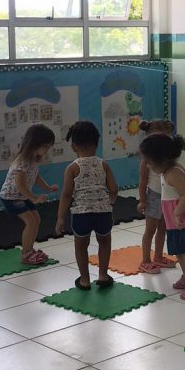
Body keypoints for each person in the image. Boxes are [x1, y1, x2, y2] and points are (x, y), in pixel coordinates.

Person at [138, 133, 185, 301]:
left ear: (162, 160)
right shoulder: (169, 170)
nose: (147, 166)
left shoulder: (173, 173)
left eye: (149, 162)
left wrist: (178, 212)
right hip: (175, 223)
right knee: (179, 251)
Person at [56, 121, 118, 290]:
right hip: (103, 213)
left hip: (81, 214)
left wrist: (60, 218)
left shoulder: (72, 168)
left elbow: (67, 194)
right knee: (104, 242)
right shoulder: (103, 165)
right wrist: (110, 202)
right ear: (96, 144)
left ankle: (84, 280)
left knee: (81, 246)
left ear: (73, 146)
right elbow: (114, 189)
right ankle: (103, 276)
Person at [0, 124, 58, 266]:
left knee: (36, 219)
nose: (47, 150)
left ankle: (30, 250)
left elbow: (36, 176)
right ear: (35, 144)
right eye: (46, 146)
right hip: (11, 197)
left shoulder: (34, 159)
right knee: (31, 222)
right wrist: (34, 198)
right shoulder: (22, 161)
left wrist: (48, 188)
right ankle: (26, 254)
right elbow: (20, 185)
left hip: (22, 196)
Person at [137, 119, 178, 274]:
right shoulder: (146, 161)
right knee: (150, 230)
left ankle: (158, 257)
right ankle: (145, 261)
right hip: (153, 197)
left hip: (167, 196)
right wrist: (142, 200)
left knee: (163, 228)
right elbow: (142, 181)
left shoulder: (167, 159)